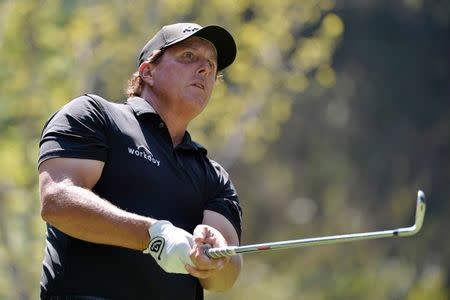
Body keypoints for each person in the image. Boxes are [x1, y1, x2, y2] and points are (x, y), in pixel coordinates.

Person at [37, 22, 243, 300]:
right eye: (189, 56)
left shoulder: (213, 175)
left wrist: (217, 257)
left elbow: (224, 279)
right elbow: (57, 201)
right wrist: (154, 235)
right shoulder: (96, 116)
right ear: (148, 72)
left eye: (212, 65)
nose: (205, 69)